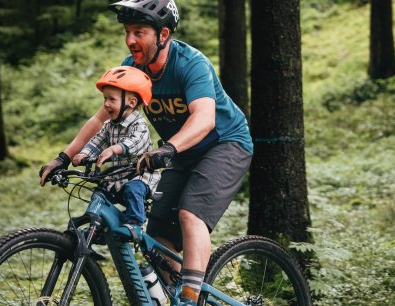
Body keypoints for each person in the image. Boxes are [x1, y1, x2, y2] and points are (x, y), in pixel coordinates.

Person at [38, 0, 253, 303]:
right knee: (160, 238)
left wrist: (168, 149)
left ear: (163, 34)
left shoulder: (191, 63)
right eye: (127, 32)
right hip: (179, 152)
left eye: (139, 32)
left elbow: (205, 118)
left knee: (191, 214)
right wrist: (63, 157)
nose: (130, 40)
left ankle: (190, 300)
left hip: (225, 144)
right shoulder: (132, 68)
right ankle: (181, 295)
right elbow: (102, 117)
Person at [72, 66, 160, 229]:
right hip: (118, 177)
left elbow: (134, 143)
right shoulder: (109, 125)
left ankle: (134, 224)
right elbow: (98, 141)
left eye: (112, 99)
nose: (106, 104)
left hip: (140, 176)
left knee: (133, 190)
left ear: (131, 103)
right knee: (100, 193)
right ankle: (98, 229)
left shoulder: (139, 125)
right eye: (104, 99)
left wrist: (114, 149)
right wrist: (84, 153)